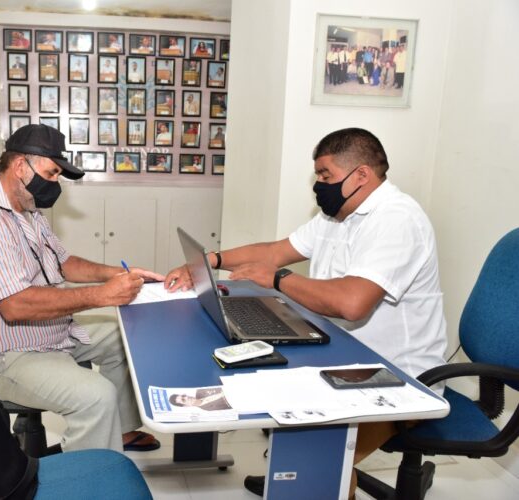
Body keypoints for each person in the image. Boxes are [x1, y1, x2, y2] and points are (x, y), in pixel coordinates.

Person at [164, 128, 447, 498]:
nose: (319, 184)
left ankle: (308, 477)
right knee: (248, 369)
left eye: (326, 175)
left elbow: (351, 303)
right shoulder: (337, 216)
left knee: (317, 458)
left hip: (396, 376)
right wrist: (211, 261)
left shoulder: (397, 220)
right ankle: (294, 472)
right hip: (341, 351)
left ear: (361, 175)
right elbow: (273, 251)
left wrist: (278, 281)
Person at [0, 124, 162, 453]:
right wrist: (99, 296)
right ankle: (84, 478)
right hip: (3, 355)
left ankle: (117, 430)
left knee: (125, 341)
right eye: (51, 174)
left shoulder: (28, 208)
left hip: (47, 333)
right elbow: (15, 306)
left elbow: (64, 263)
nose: (54, 184)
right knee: (96, 396)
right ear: (20, 166)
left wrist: (116, 274)